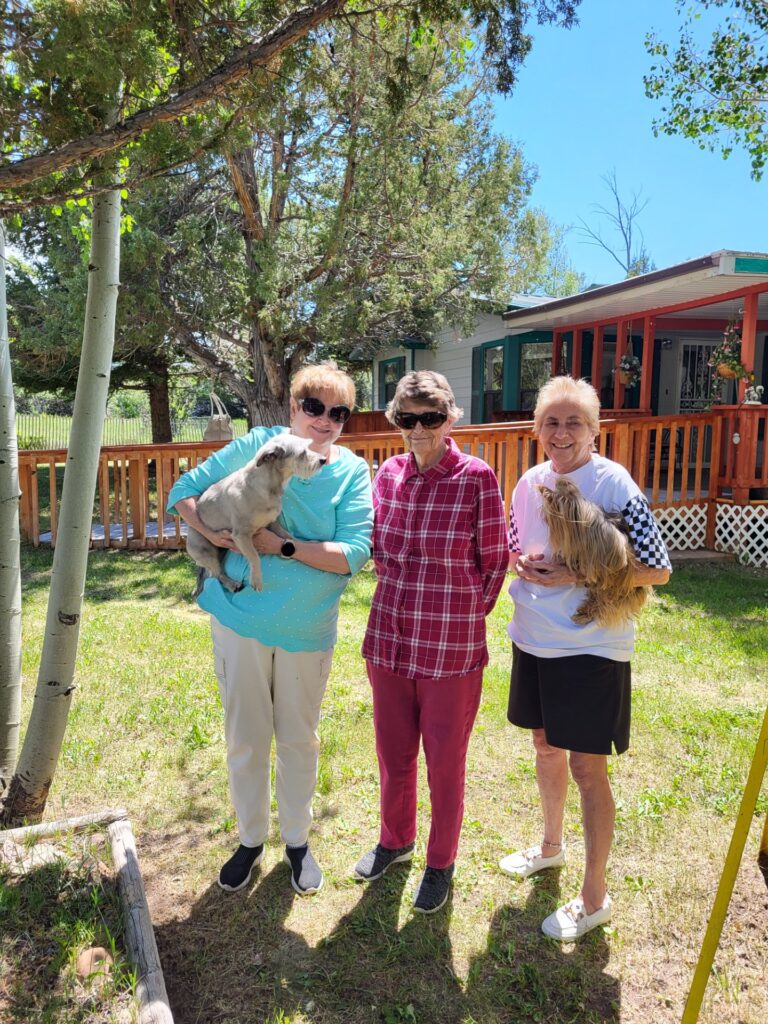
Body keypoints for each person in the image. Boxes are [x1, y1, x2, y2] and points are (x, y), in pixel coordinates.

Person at [167, 363, 373, 897]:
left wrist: (277, 546)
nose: (325, 421)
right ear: (293, 409)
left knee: (299, 741)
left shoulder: (351, 471)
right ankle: (251, 840)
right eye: (314, 407)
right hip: (241, 623)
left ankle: (298, 843)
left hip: (307, 629)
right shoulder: (258, 445)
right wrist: (220, 535)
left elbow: (354, 553)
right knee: (246, 737)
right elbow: (184, 493)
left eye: (338, 412)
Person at [501, 375, 671, 940]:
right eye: (552, 420)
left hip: (592, 648)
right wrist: (520, 566)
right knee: (545, 746)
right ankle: (550, 847)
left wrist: (577, 573)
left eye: (575, 422)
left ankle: (594, 895)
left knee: (586, 768)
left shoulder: (613, 483)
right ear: (537, 429)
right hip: (534, 639)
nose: (562, 432)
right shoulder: (528, 483)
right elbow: (511, 542)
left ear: (595, 430)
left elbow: (658, 567)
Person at [355, 370, 508, 914]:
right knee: (393, 754)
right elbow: (375, 548)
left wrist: (459, 614)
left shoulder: (476, 478)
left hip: (450, 649)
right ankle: (395, 841)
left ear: (450, 419)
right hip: (390, 641)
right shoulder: (389, 474)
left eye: (431, 418)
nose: (418, 428)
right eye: (407, 418)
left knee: (445, 762)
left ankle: (440, 862)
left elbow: (495, 564)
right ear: (396, 420)